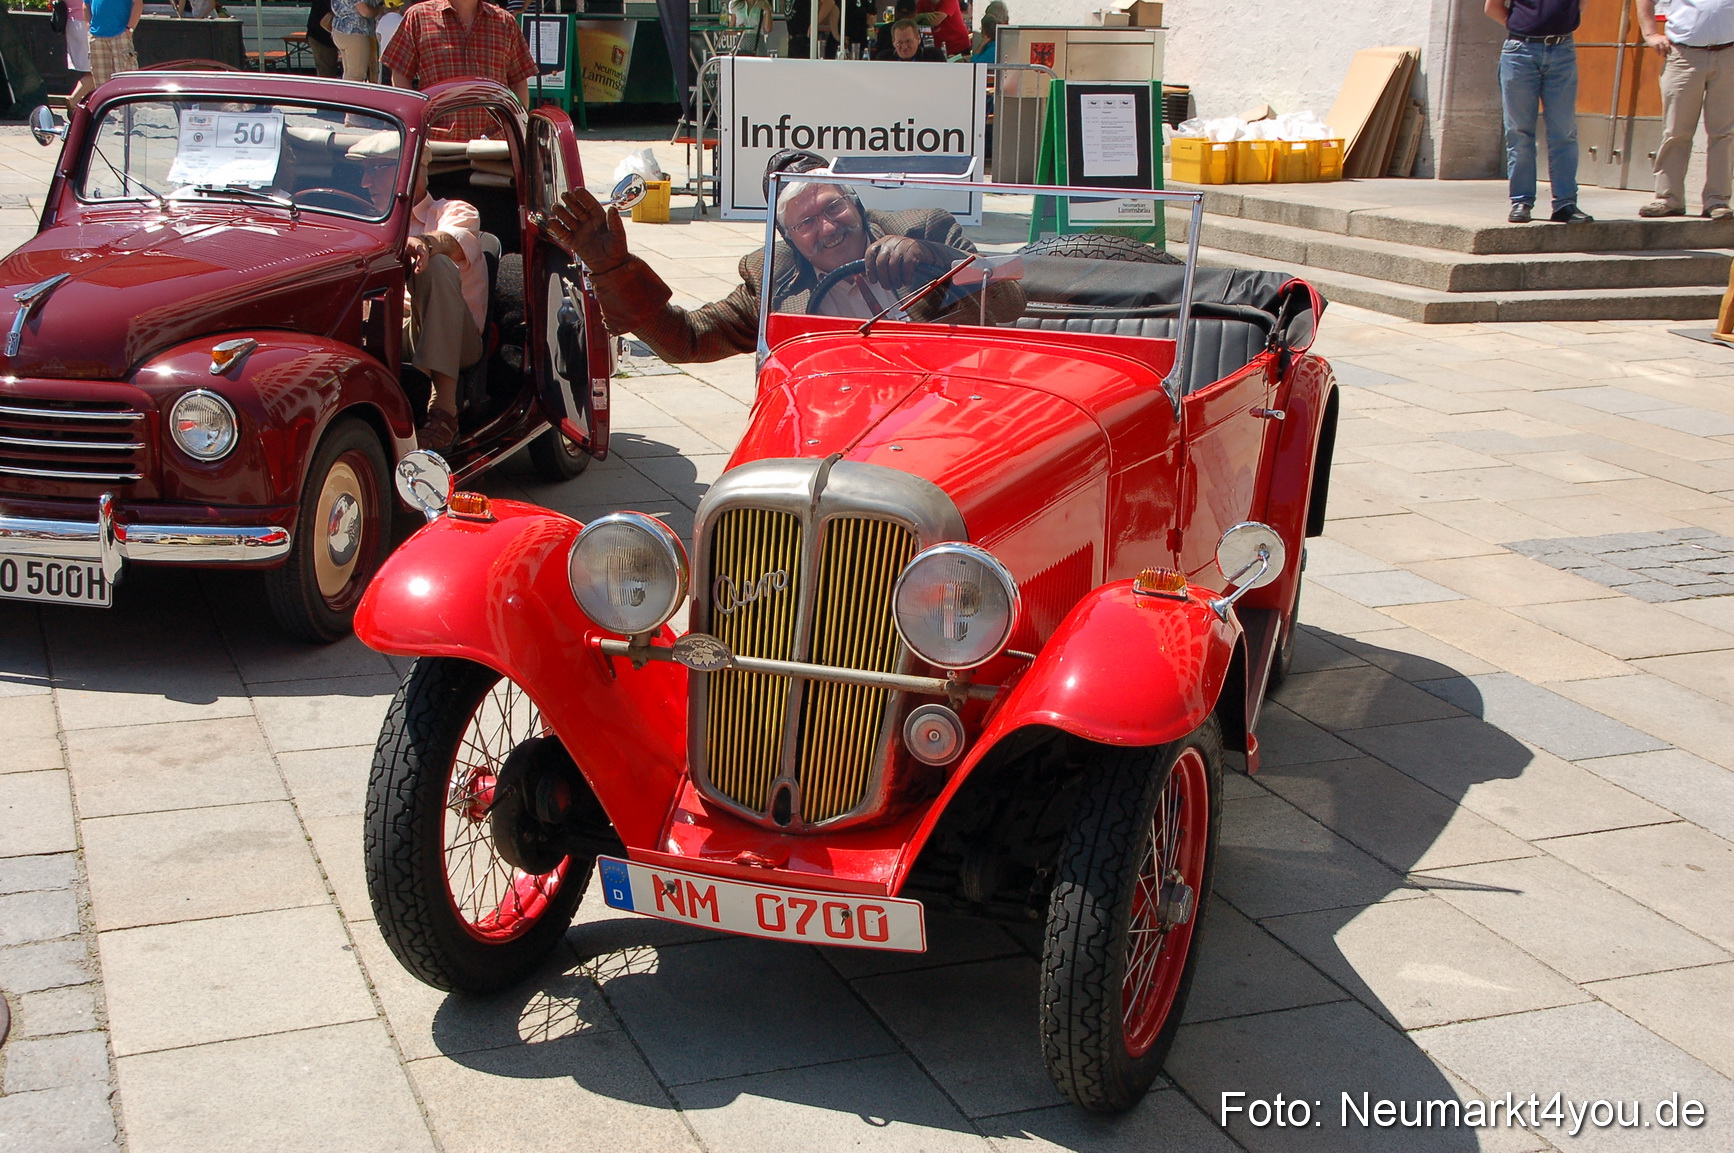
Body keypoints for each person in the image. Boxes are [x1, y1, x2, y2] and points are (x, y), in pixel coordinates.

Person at [540, 151, 1022, 363]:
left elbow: (1008, 300)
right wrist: (612, 272)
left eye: (833, 207)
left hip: (936, 401)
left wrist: (931, 259)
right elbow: (688, 339)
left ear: (855, 202)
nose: (828, 229)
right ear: (787, 237)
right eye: (806, 223)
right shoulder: (772, 278)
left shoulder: (924, 227)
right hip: (834, 414)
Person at [354, 135, 486, 451]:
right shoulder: (363, 221)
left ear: (415, 170)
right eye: (363, 171)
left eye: (378, 169)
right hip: (384, 328)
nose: (364, 182)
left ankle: (444, 411)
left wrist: (425, 244)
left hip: (455, 337)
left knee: (437, 264)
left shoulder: (452, 210)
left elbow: (454, 239)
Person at [1486, 0, 1591, 223]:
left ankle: (1565, 203)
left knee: (1564, 132)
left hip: (1562, 50)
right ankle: (1521, 201)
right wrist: (1524, 27)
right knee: (1519, 131)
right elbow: (1492, 7)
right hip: (1520, 52)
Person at [381, 0, 537, 138]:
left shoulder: (505, 22)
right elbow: (401, 73)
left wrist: (515, 129)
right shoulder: (419, 17)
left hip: (495, 145)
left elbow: (519, 82)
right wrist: (416, 121)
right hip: (436, 143)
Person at [1636, 0, 1734, 219]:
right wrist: (1650, 34)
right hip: (1684, 54)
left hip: (1729, 53)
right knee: (1675, 131)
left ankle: (1717, 200)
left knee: (1723, 133)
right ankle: (1668, 198)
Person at [87, 0, 141, 90]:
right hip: (96, 36)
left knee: (126, 80)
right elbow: (86, 5)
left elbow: (138, 4)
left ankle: (126, 104)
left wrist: (130, 28)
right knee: (101, 83)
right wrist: (88, 27)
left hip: (120, 34)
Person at [330, 0, 380, 83]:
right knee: (356, 77)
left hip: (339, 30)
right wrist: (378, 10)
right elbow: (365, 11)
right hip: (355, 31)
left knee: (348, 74)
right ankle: (349, 95)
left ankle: (344, 95)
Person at [65, 0, 93, 105]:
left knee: (90, 70)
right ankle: (73, 99)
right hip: (85, 24)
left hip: (72, 23)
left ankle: (89, 103)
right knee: (96, 70)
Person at [306, 0, 342, 78]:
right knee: (326, 73)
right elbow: (326, 19)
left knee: (328, 70)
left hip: (320, 34)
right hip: (321, 37)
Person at [881, 18, 945, 61]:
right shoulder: (884, 59)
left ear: (918, 39)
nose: (904, 46)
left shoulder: (934, 57)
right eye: (899, 42)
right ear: (893, 42)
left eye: (908, 41)